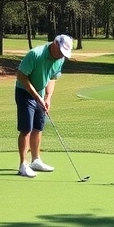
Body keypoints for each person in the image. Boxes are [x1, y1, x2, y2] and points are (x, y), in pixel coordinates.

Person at [14, 34, 72, 177]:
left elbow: (52, 77)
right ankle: (23, 165)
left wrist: (48, 97)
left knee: (38, 127)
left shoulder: (60, 59)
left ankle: (35, 160)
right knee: (26, 129)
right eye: (61, 52)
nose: (61, 56)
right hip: (24, 92)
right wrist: (36, 96)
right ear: (55, 44)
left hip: (40, 93)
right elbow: (21, 76)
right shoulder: (36, 54)